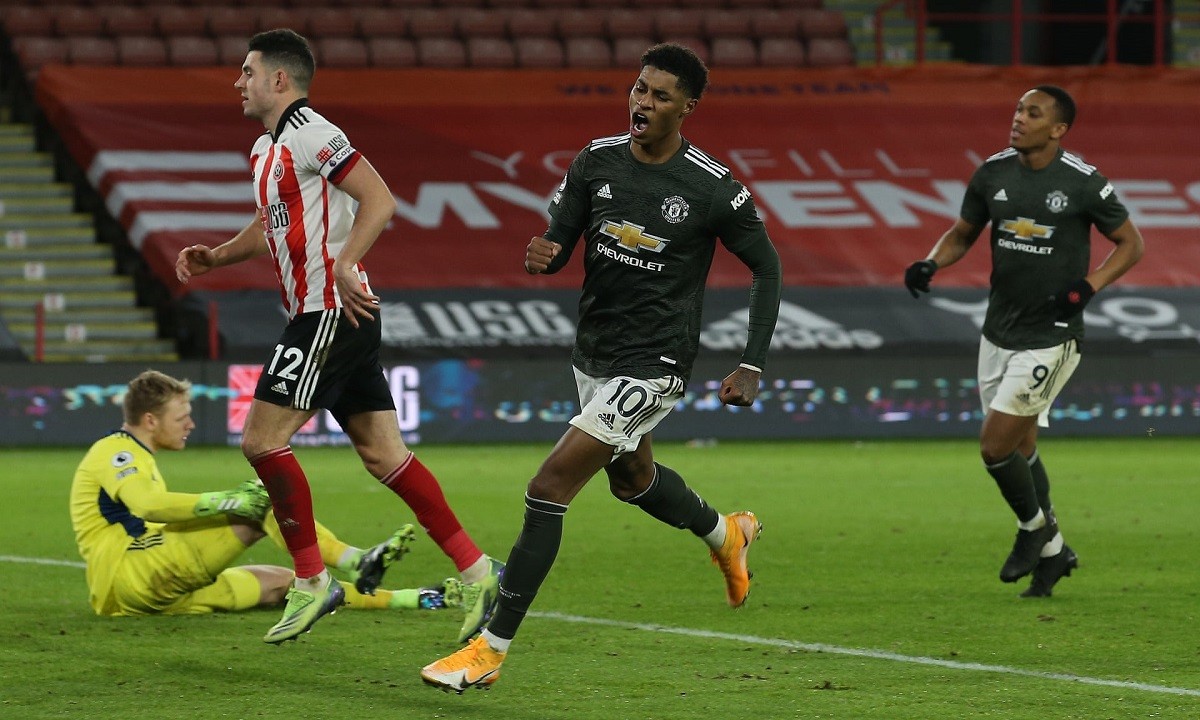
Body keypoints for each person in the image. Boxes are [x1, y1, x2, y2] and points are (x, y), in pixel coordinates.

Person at [421, 43, 782, 693]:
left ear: (687, 108)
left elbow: (768, 267)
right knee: (633, 479)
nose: (643, 102)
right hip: (594, 354)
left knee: (548, 486)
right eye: (640, 88)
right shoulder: (596, 160)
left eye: (661, 96)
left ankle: (490, 649)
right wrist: (546, 252)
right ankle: (725, 533)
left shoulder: (713, 188)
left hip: (656, 363)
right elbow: (561, 238)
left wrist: (752, 361)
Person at [174, 29, 502, 644]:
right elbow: (269, 225)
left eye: (247, 71)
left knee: (261, 440)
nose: (238, 82)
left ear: (279, 79)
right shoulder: (265, 150)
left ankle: (311, 580)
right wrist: (217, 256)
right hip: (336, 317)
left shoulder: (313, 132)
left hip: (328, 311)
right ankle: (479, 572)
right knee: (384, 456)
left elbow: (380, 199)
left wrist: (347, 262)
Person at [903, 85, 1144, 598]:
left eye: (1033, 113)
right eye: (1018, 109)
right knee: (1021, 446)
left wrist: (1089, 286)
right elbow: (962, 233)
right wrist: (931, 262)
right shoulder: (993, 173)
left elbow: (1131, 243)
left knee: (994, 447)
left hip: (1051, 336)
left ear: (1058, 129)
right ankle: (1056, 554)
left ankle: (1033, 531)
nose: (1019, 118)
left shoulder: (1082, 182)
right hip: (999, 331)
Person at [69, 370, 470, 618]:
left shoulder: (134, 454)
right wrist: (232, 500)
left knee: (288, 584)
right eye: (182, 417)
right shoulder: (116, 451)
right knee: (264, 497)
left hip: (148, 592)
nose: (190, 424)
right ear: (150, 420)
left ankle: (413, 599)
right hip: (132, 572)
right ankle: (356, 559)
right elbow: (148, 505)